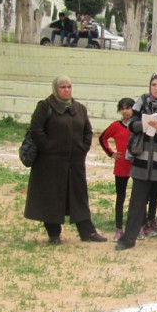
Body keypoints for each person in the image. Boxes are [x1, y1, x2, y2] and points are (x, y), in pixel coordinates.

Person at [24, 75, 107, 244]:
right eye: (63, 87)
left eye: (69, 87)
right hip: (50, 163)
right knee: (52, 197)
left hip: (75, 162)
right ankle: (54, 234)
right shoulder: (45, 106)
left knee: (78, 196)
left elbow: (87, 131)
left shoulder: (79, 108)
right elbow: (36, 130)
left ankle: (88, 232)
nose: (66, 90)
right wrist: (49, 148)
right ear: (56, 89)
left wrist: (83, 148)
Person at [116, 72, 157, 251]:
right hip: (143, 161)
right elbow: (131, 125)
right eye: (153, 84)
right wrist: (144, 125)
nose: (156, 88)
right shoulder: (142, 101)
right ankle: (128, 239)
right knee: (136, 202)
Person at [99, 97, 135, 242]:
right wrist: (111, 153)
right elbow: (102, 138)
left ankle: (139, 226)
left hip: (137, 165)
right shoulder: (115, 126)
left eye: (128, 108)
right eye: (122, 108)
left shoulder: (138, 125)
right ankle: (119, 228)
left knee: (139, 198)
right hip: (121, 166)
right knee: (120, 197)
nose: (125, 111)